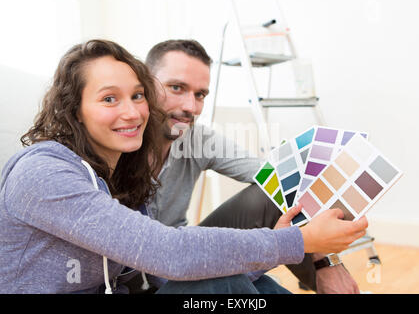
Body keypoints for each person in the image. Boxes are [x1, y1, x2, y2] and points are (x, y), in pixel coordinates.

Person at [0, 39, 368, 294]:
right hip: (161, 260)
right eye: (109, 98)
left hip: (152, 271)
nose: (131, 111)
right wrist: (296, 242)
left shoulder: (125, 165)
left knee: (224, 280)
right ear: (73, 110)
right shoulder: (45, 172)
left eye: (136, 96)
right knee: (214, 281)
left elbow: (274, 176)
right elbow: (168, 252)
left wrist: (319, 257)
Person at [134, 39, 362, 293]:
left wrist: (325, 258)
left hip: (181, 262)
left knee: (272, 191)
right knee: (233, 279)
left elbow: (276, 176)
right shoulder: (116, 140)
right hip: (136, 273)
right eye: (176, 88)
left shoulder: (197, 138)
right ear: (144, 84)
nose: (190, 107)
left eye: (200, 95)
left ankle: (328, 285)